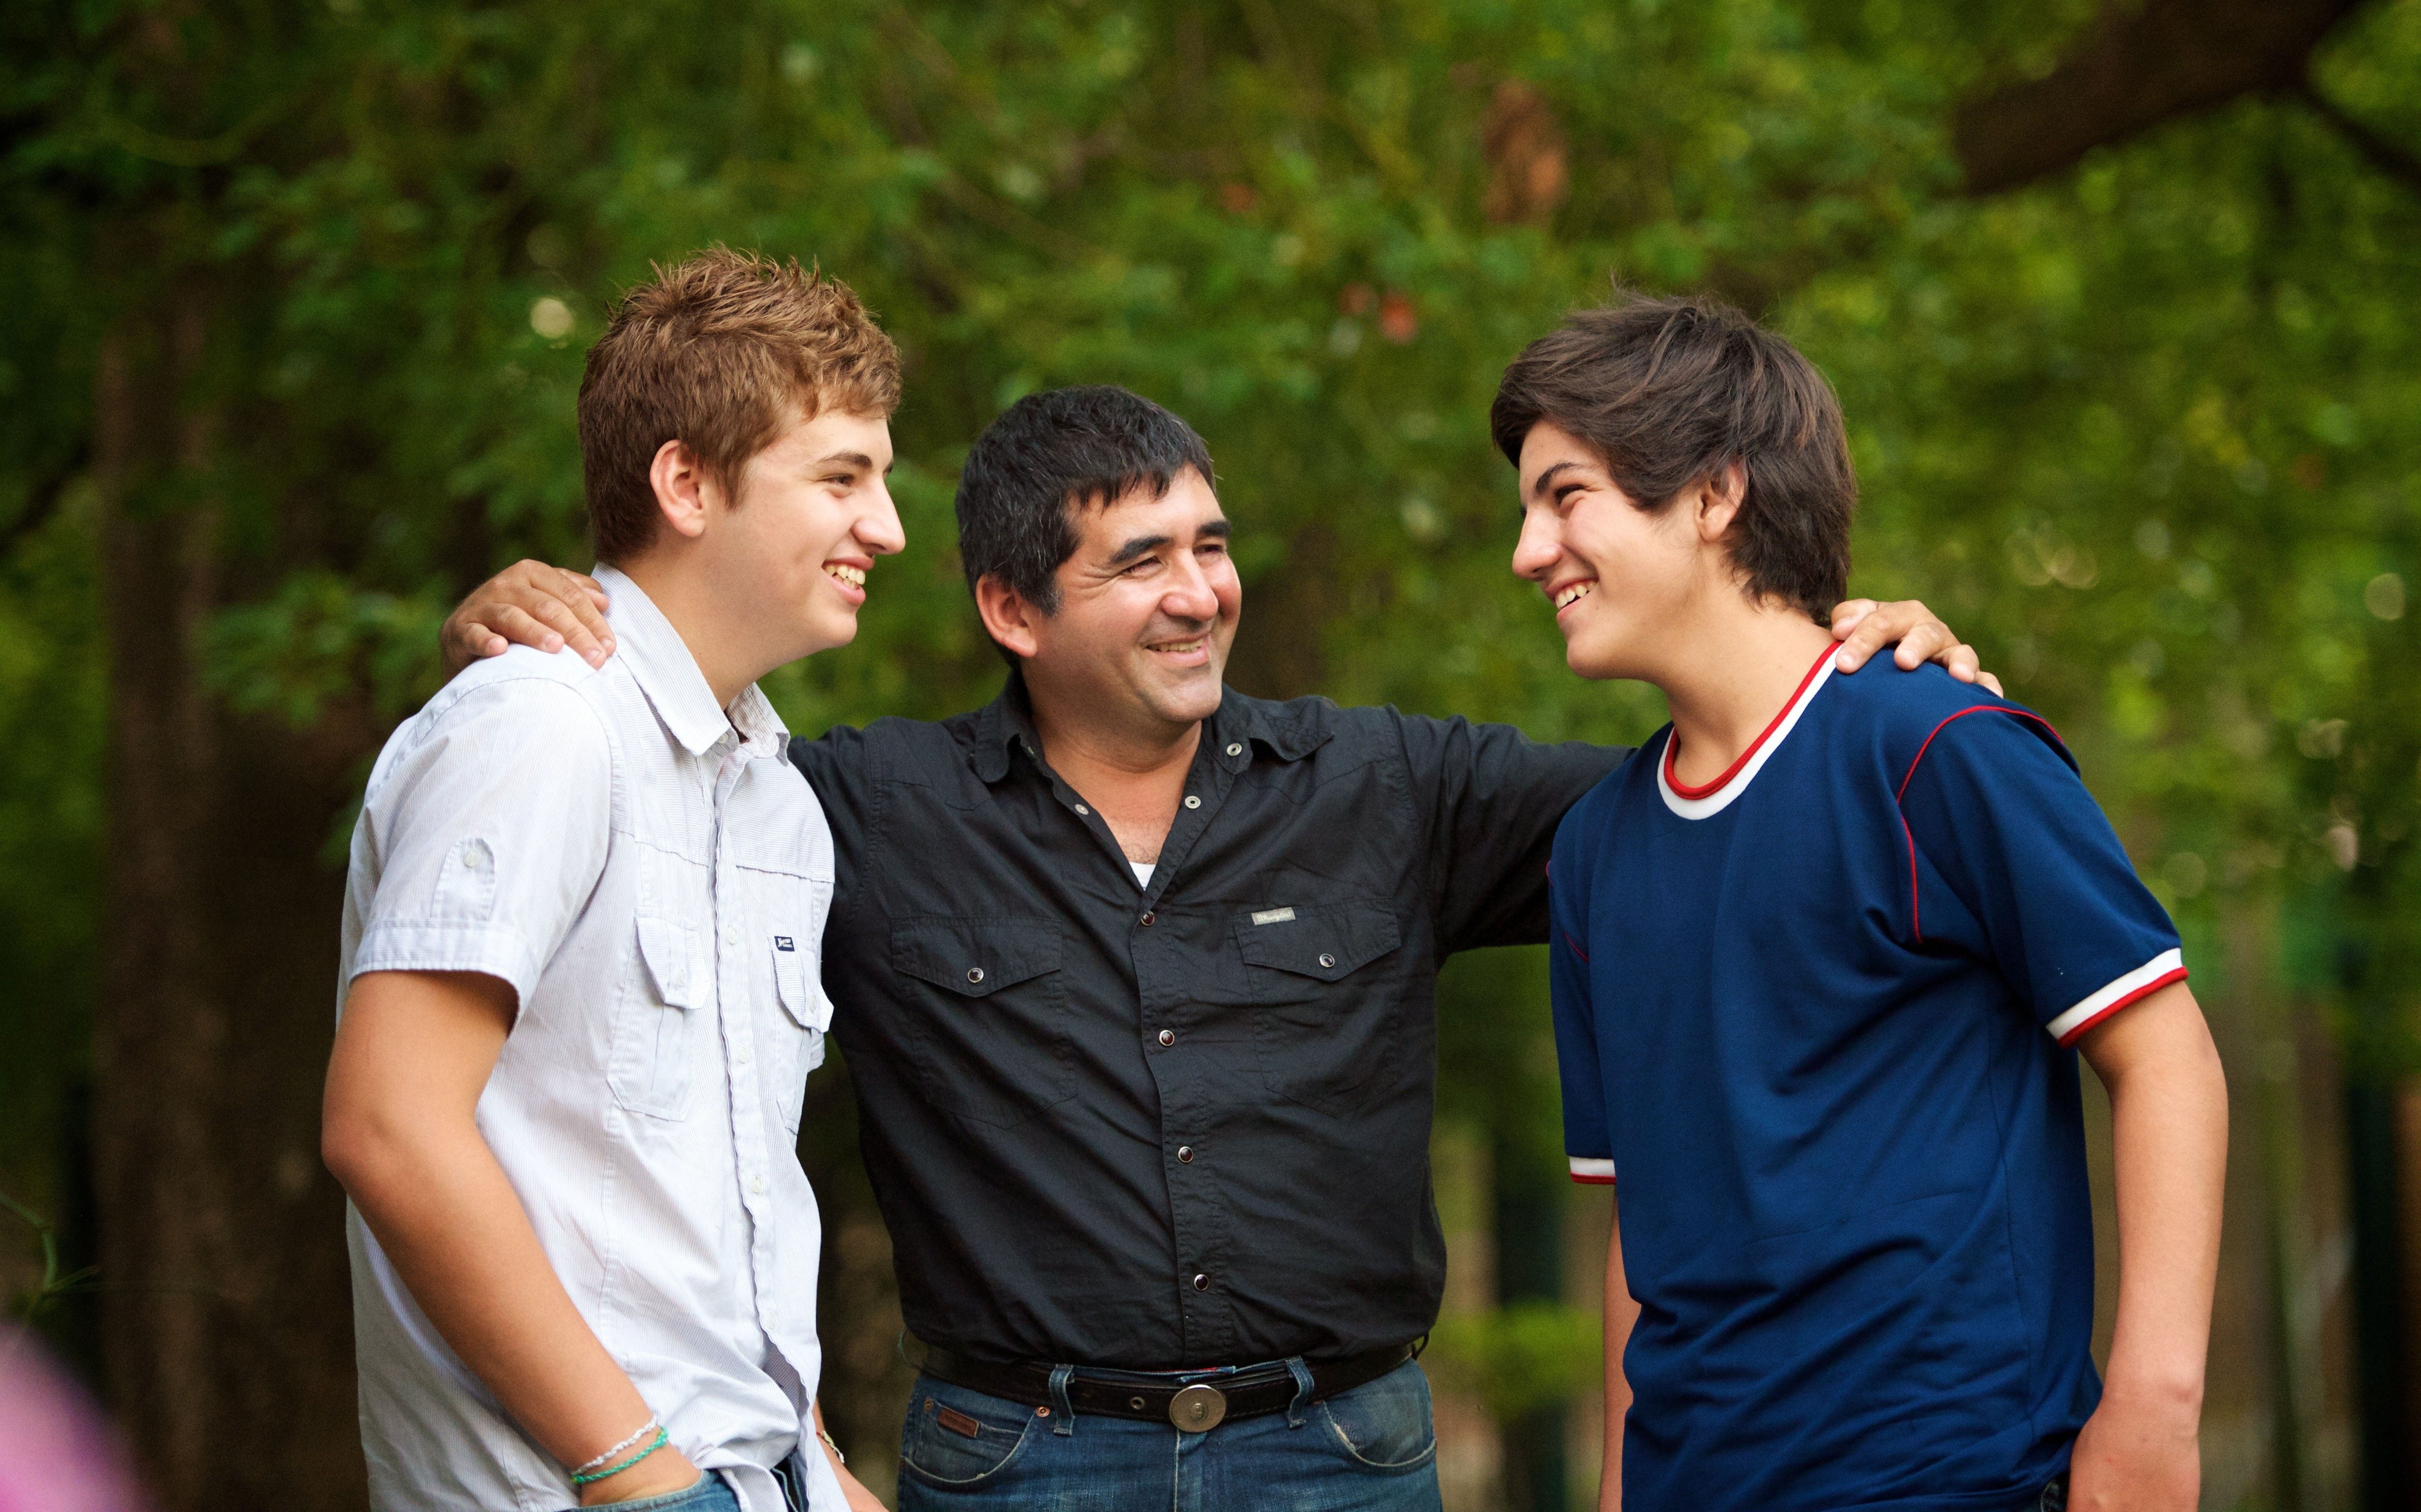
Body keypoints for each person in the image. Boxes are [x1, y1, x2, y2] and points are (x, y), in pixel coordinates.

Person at [442, 383, 1992, 1511]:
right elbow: (652, 768)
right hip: (1015, 1467)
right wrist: (532, 618)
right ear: (1010, 609)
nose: (1201, 595)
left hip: (1346, 1459)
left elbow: (1726, 802)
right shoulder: (848, 812)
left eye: (1211, 544)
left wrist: (1850, 670)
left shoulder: (1394, 788)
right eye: (1139, 565)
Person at [1500, 296, 2228, 1512]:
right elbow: (1646, 1225)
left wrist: (2151, 1418)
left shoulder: (1935, 748)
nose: (1527, 550)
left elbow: (2168, 1061)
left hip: (1952, 1478)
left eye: (1564, 495)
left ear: (1713, 494)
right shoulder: (1592, 852)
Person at [322, 249, 903, 1512]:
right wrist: (634, 1471)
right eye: (843, 478)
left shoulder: (778, 805)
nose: (887, 527)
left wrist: (820, 1462)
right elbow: (390, 1126)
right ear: (687, 482)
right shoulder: (539, 726)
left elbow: (715, 1194)